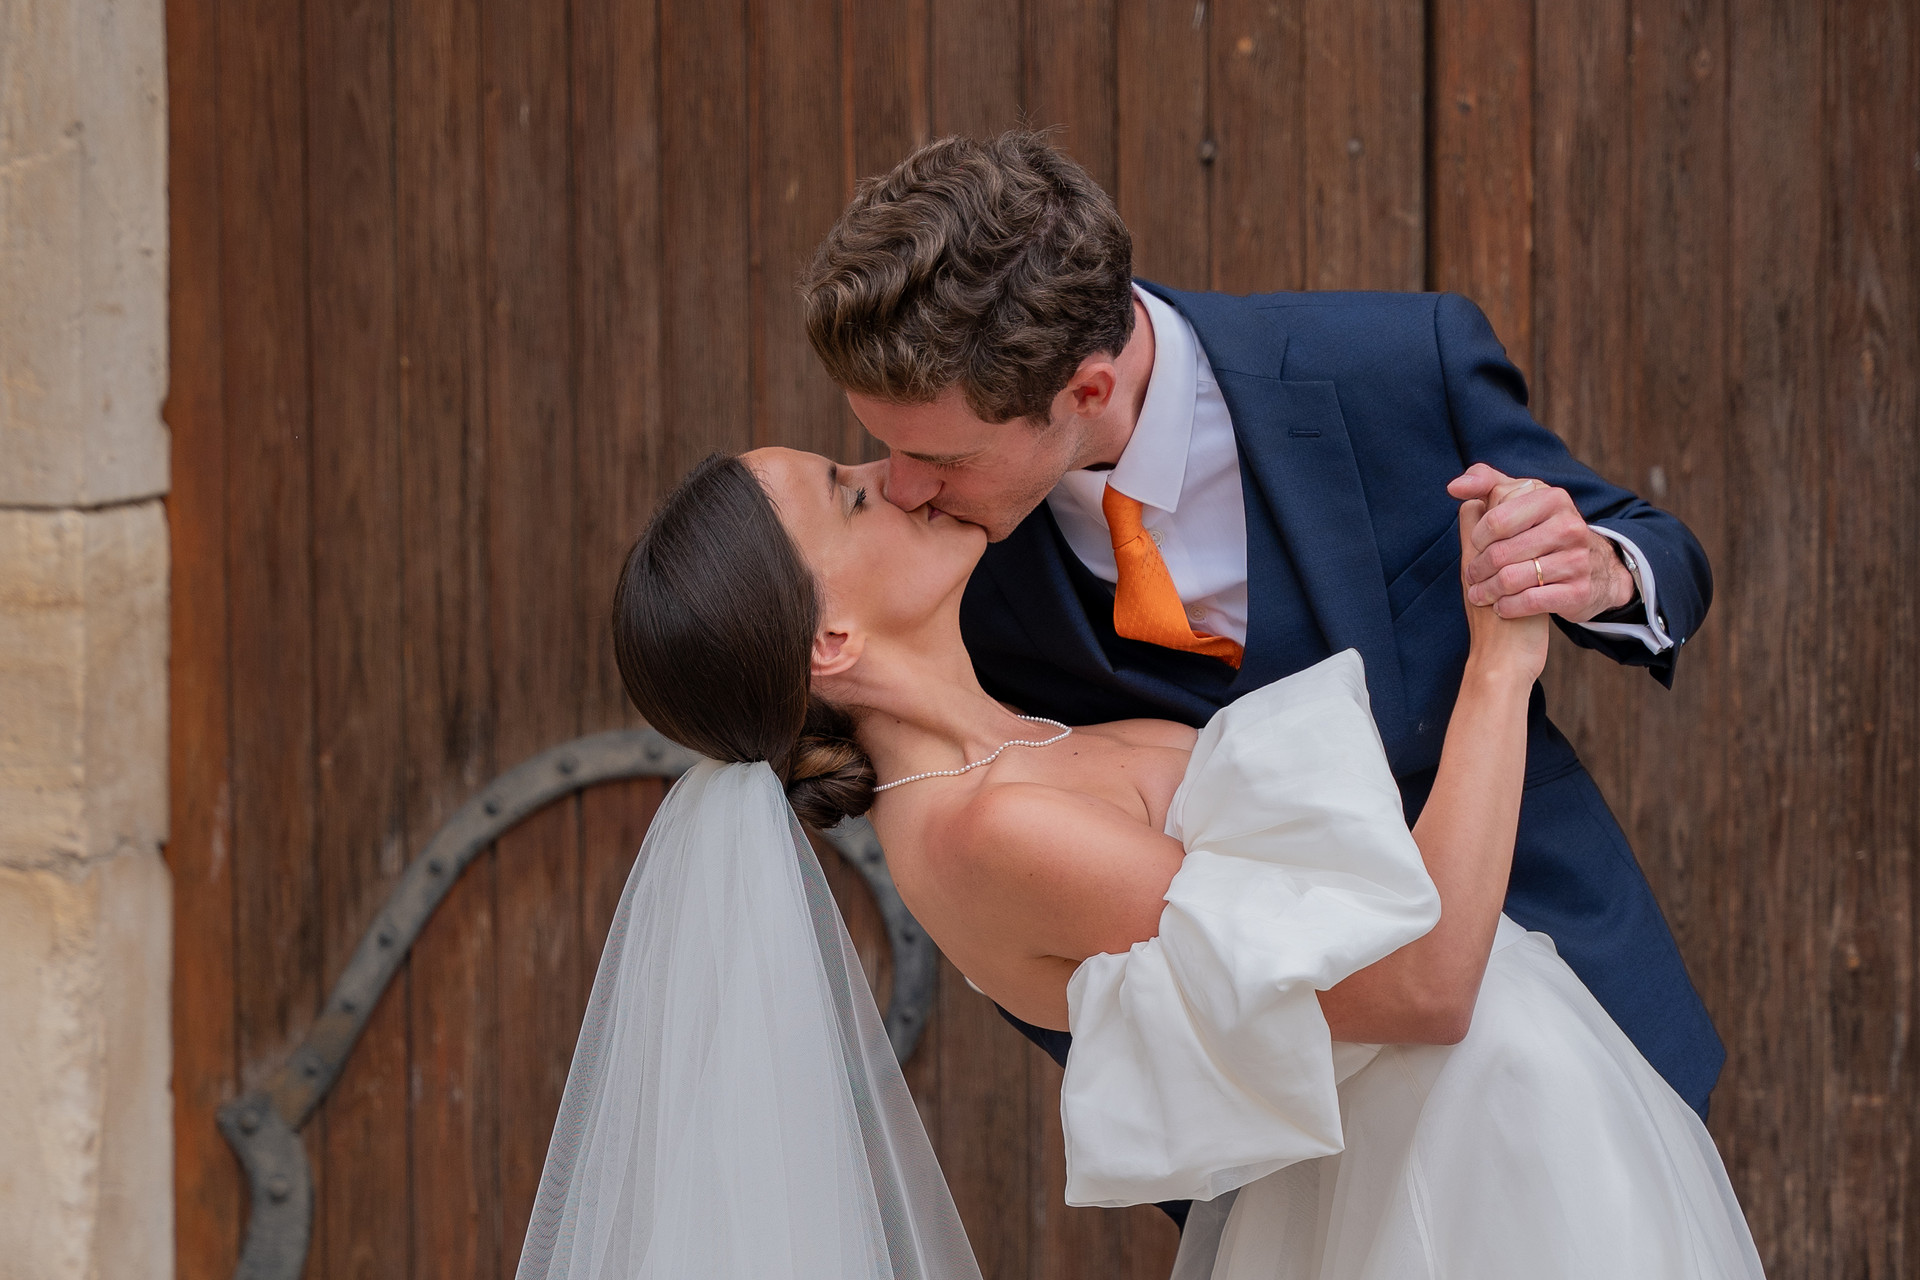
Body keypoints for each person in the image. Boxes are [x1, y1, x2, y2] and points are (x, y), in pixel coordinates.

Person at [517, 445, 1761, 1278]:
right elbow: (1424, 986)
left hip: (1527, 1109)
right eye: (850, 495)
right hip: (1461, 1181)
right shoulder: (987, 831)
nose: (896, 479)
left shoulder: (1031, 744)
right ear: (830, 636)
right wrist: (1501, 662)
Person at [798, 131, 1724, 1141]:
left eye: (938, 454)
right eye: (886, 447)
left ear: (1088, 392)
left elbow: (1659, 549)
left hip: (1574, 1013)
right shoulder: (939, 578)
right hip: (1304, 1154)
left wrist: (1595, 565)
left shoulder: (1394, 364)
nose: (905, 485)